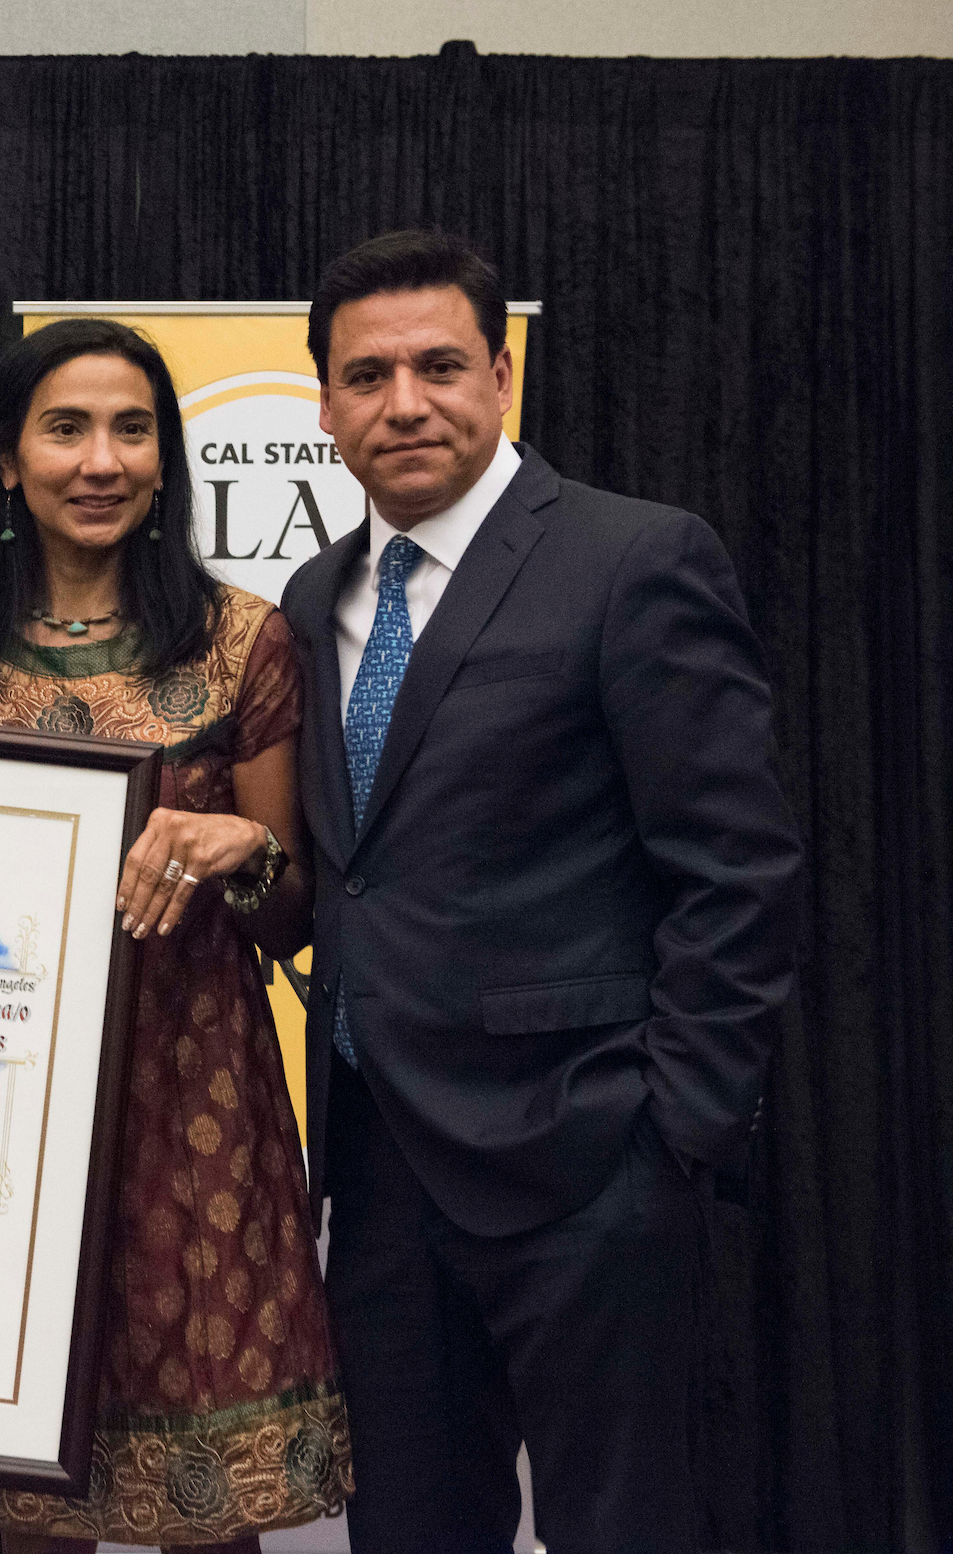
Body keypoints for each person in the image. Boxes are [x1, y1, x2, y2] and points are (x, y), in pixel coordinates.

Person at [281, 229, 803, 1552]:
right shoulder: (309, 595)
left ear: (504, 376)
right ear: (326, 404)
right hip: (383, 1175)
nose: (406, 402)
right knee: (408, 1529)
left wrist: (672, 1131)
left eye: (441, 364)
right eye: (368, 375)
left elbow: (735, 868)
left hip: (588, 1168)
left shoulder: (633, 560)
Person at [0, 318, 351, 1552]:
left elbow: (296, 909)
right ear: (4, 460)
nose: (102, 460)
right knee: (33, 1485)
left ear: (165, 459)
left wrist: (240, 851)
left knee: (213, 1509)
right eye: (67, 428)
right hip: (5, 1116)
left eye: (132, 430)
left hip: (198, 1102)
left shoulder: (243, 640)